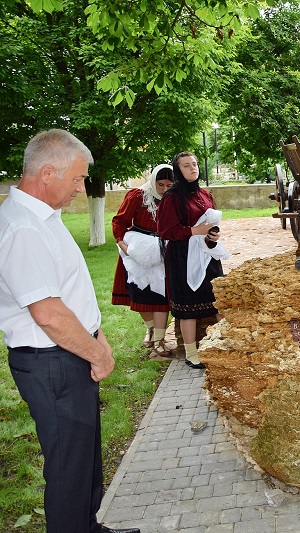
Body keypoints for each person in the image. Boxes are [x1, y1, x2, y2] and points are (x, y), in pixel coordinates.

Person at [0, 129, 139, 533]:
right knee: (67, 467)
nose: (83, 187)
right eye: (78, 179)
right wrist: (97, 354)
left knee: (82, 459)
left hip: (66, 353)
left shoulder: (41, 217)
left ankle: (88, 526)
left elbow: (65, 294)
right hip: (52, 360)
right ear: (47, 172)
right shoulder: (24, 228)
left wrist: (97, 336)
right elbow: (47, 313)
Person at [157, 151, 225, 370]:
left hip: (206, 253)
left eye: (194, 164)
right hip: (182, 256)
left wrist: (213, 235)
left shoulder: (204, 194)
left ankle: (225, 344)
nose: (192, 168)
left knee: (218, 299)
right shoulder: (172, 197)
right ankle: (191, 353)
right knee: (188, 306)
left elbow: (211, 222)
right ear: (178, 170)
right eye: (186, 165)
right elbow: (166, 231)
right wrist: (195, 230)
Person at [111, 164, 175, 360]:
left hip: (164, 251)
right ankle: (150, 330)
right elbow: (119, 222)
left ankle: (159, 341)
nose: (164, 189)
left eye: (169, 185)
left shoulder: (175, 199)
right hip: (137, 251)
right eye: (161, 184)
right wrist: (125, 249)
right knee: (141, 296)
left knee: (161, 297)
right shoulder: (137, 196)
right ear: (153, 181)